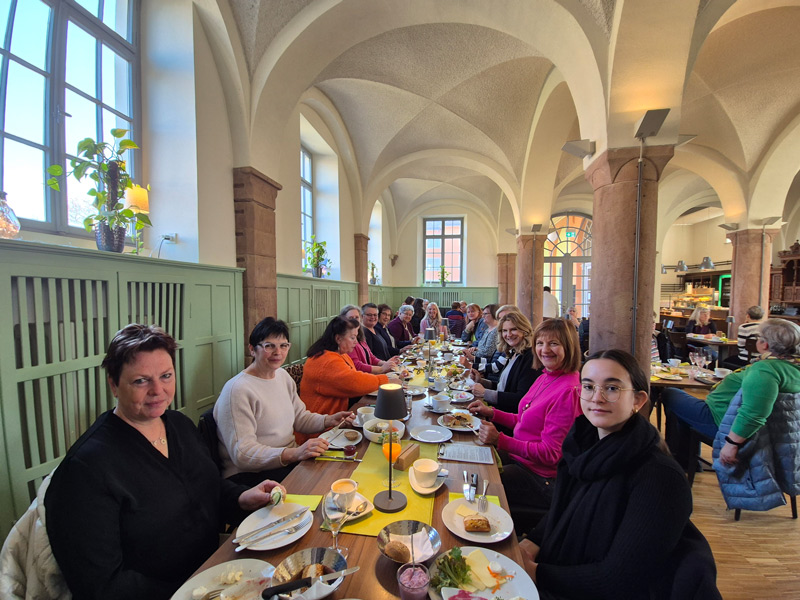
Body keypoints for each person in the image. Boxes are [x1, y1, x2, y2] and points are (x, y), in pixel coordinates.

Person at [44, 324, 285, 599]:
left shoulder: (179, 426)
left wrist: (242, 498)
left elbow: (205, 488)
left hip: (218, 570)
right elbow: (102, 586)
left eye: (166, 376)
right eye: (141, 381)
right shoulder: (86, 469)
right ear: (113, 383)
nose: (158, 390)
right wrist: (194, 593)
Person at [520, 349, 720, 600]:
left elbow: (618, 579)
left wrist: (535, 572)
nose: (597, 398)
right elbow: (566, 507)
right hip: (559, 570)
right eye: (589, 386)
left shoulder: (659, 477)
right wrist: (531, 544)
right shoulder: (583, 445)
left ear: (638, 400)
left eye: (612, 388)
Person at [214, 317, 355, 486]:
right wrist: (294, 453)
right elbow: (243, 454)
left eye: (283, 345)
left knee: (343, 474)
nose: (277, 352)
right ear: (252, 349)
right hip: (251, 477)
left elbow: (300, 418)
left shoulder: (281, 376)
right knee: (324, 488)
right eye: (269, 346)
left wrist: (329, 419)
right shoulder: (238, 389)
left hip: (287, 462)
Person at [467, 318, 582, 525]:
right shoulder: (547, 375)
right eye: (540, 343)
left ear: (569, 346)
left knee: (474, 484)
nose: (544, 350)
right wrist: (491, 412)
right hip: (521, 460)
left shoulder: (568, 391)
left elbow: (551, 454)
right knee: (471, 458)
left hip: (540, 478)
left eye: (553, 343)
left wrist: (500, 440)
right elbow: (524, 419)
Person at [662, 318, 800, 469]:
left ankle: (678, 461)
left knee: (670, 394)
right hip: (768, 434)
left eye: (759, 338)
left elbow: (754, 413)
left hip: (723, 422)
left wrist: (732, 444)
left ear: (765, 344)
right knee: (682, 406)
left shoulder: (765, 370)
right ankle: (684, 460)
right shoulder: (792, 368)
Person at [300, 316, 399, 420]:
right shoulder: (326, 360)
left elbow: (355, 376)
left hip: (336, 418)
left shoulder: (341, 354)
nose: (356, 342)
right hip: (321, 425)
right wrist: (386, 381)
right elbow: (354, 382)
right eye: (352, 337)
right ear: (338, 338)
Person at [468, 310, 540, 412]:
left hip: (508, 417)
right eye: (505, 331)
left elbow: (521, 399)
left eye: (513, 329)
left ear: (524, 330)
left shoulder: (530, 357)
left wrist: (485, 393)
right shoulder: (513, 352)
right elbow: (503, 387)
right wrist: (481, 381)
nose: (508, 335)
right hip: (498, 410)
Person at [339, 305, 400, 374]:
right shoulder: (345, 340)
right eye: (351, 318)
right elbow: (356, 365)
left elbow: (371, 357)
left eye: (356, 317)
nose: (354, 320)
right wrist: (381, 369)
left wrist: (386, 363)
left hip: (370, 374)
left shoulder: (360, 334)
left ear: (360, 318)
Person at [461, 304, 499, 371]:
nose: (483, 316)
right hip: (480, 361)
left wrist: (472, 353)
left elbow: (487, 353)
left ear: (494, 314)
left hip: (485, 366)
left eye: (485, 314)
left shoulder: (494, 331)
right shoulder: (488, 330)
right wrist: (474, 349)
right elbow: (481, 346)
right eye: (468, 312)